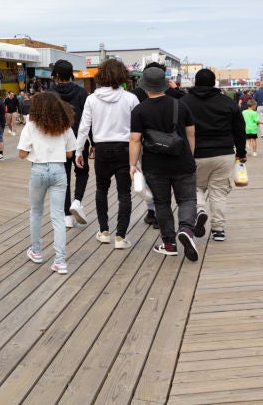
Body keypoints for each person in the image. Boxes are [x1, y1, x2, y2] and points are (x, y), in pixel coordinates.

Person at [129, 67, 199, 260]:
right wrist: (189, 157)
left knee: (161, 202)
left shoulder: (139, 110)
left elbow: (135, 140)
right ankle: (186, 229)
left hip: (155, 164)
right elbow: (191, 133)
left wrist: (133, 165)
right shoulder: (181, 105)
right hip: (182, 161)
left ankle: (169, 243)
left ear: (144, 87)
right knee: (187, 200)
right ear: (164, 85)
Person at [75, 58, 139, 251]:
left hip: (101, 149)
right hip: (125, 149)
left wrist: (80, 150)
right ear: (121, 76)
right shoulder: (130, 98)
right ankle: (121, 236)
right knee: (124, 193)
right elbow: (138, 130)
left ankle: (103, 231)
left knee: (101, 189)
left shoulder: (92, 99)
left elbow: (84, 128)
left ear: (100, 76)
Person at [182, 69, 246, 243]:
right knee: (219, 192)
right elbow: (239, 129)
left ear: (195, 82)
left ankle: (200, 210)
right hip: (224, 153)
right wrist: (241, 153)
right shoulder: (227, 102)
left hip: (195, 154)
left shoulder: (184, 102)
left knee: (195, 187)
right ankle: (218, 230)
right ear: (214, 83)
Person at [18, 93, 77, 275]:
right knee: (58, 216)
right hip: (59, 170)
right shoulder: (64, 125)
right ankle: (60, 261)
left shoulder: (31, 126)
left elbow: (21, 153)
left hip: (39, 169)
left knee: (36, 212)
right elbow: (69, 154)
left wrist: (36, 152)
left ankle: (36, 251)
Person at [50, 60, 90, 230]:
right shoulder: (82, 93)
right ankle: (77, 201)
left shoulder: (50, 93)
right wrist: (92, 141)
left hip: (58, 141)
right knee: (82, 171)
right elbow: (89, 119)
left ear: (57, 75)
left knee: (63, 177)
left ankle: (66, 215)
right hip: (79, 140)